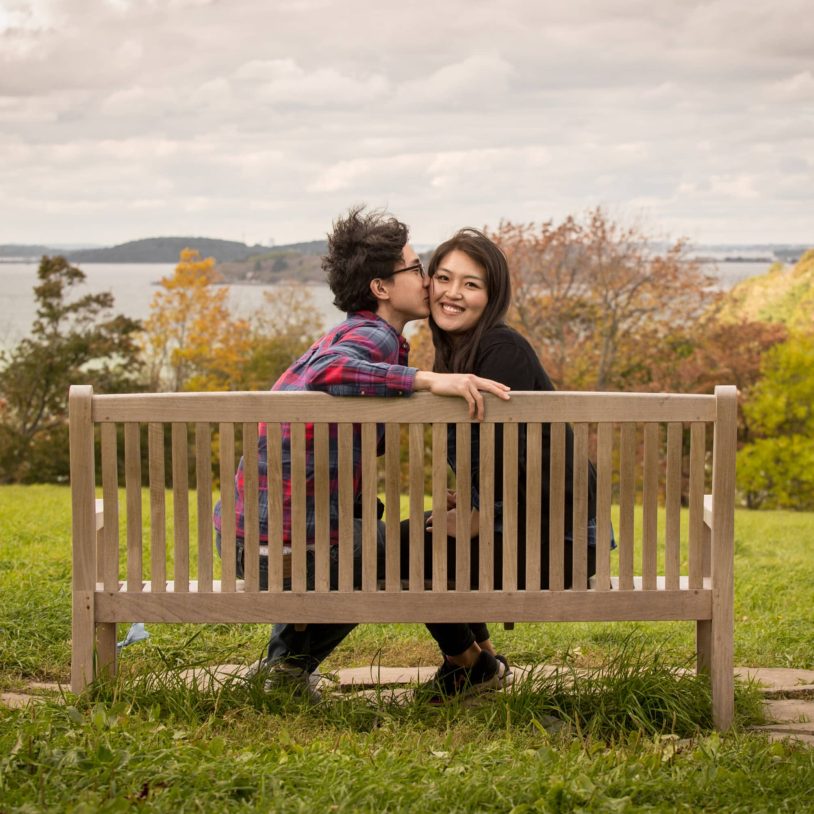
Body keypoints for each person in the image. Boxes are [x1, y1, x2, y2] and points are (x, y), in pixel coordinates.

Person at [212, 207, 510, 699]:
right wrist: (430, 379)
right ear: (381, 288)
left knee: (368, 531)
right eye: (417, 270)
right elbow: (333, 370)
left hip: (250, 538)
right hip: (281, 550)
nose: (428, 281)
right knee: (407, 549)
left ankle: (287, 672)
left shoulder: (350, 335)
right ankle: (467, 664)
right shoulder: (369, 336)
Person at [409, 227, 614, 703]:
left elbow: (527, 457)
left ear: (491, 295)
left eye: (471, 284)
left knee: (406, 548)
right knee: (419, 532)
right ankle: (481, 660)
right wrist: (477, 501)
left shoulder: (502, 350)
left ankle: (468, 665)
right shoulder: (462, 349)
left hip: (559, 539)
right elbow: (504, 453)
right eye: (443, 277)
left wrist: (482, 514)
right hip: (541, 526)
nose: (452, 293)